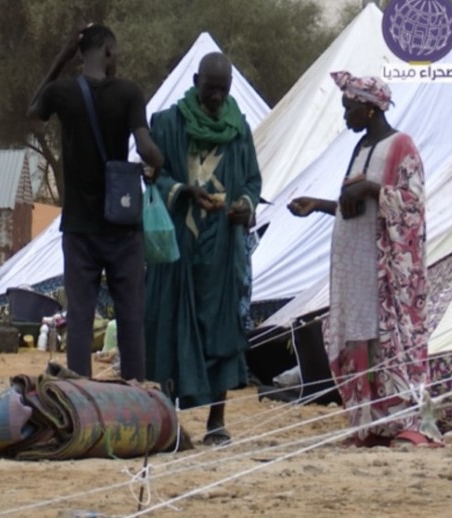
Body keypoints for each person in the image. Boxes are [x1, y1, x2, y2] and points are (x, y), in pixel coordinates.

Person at [288, 71, 432, 447]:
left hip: (385, 271)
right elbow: (353, 207)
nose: (345, 116)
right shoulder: (360, 148)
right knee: (363, 342)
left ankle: (408, 422)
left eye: (348, 108)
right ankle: (372, 424)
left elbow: (412, 203)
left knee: (390, 340)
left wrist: (370, 188)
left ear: (368, 108)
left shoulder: (401, 145)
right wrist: (318, 205)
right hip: (357, 269)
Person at [27, 25, 164, 381]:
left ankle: (79, 397)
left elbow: (33, 112)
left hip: (79, 229)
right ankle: (135, 392)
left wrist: (61, 58)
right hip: (122, 226)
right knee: (131, 317)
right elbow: (146, 148)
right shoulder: (129, 92)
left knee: (80, 319)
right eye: (115, 52)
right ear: (106, 51)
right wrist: (159, 162)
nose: (117, 58)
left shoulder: (62, 92)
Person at [144, 52, 262, 445]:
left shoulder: (238, 129)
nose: (216, 97)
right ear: (196, 82)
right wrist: (183, 191)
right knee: (169, 328)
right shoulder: (167, 123)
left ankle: (217, 421)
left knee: (222, 332)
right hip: (178, 246)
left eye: (222, 91)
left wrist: (245, 205)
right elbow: (153, 175)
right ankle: (168, 423)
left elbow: (252, 180)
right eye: (210, 89)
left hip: (222, 250)